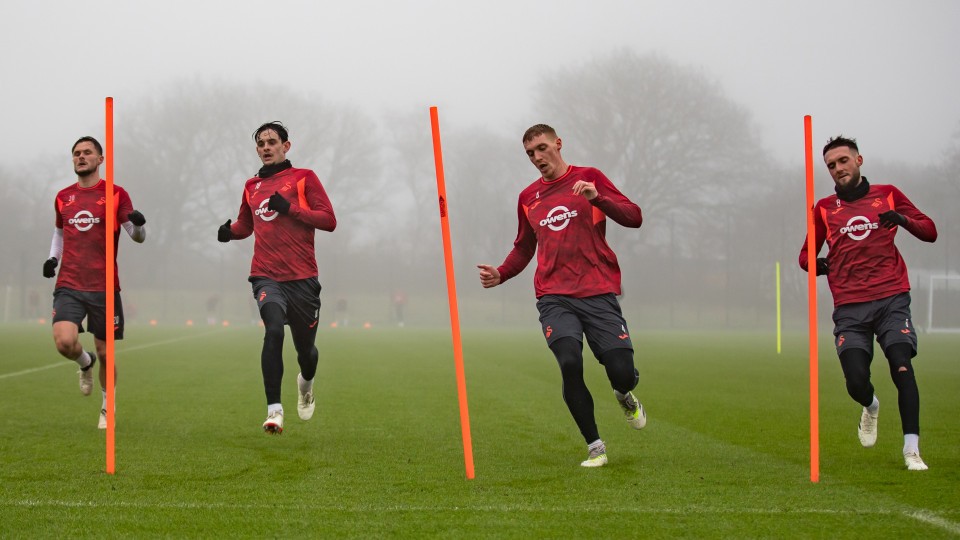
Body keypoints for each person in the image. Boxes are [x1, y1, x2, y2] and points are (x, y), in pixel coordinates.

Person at [477, 124, 646, 467]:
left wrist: (598, 198)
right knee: (569, 362)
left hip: (598, 291)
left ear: (558, 143)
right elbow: (524, 247)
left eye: (542, 148)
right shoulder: (528, 198)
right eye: (530, 153)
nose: (537, 157)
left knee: (622, 372)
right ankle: (595, 446)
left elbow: (635, 217)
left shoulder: (589, 177)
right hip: (554, 296)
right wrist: (502, 272)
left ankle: (624, 392)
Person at [799, 135, 937, 471]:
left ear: (858, 160)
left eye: (843, 161)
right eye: (831, 165)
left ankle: (911, 450)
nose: (838, 168)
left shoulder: (888, 194)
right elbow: (805, 257)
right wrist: (818, 265)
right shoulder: (824, 208)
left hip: (892, 298)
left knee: (902, 366)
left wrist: (901, 219)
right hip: (850, 307)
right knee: (856, 380)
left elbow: (930, 231)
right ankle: (870, 406)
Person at [218, 121, 336, 435]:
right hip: (265, 275)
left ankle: (306, 384)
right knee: (272, 331)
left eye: (272, 142)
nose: (266, 147)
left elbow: (329, 220)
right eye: (261, 143)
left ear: (286, 146)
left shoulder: (304, 178)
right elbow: (246, 225)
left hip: (303, 279)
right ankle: (274, 411)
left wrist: (290, 208)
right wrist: (229, 232)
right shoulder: (251, 186)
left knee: (306, 353)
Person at [43, 136, 147, 429]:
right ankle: (84, 362)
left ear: (100, 159)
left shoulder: (116, 193)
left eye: (87, 152)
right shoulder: (63, 196)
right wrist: (52, 258)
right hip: (70, 283)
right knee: (64, 342)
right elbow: (59, 233)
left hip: (104, 286)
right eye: (76, 153)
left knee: (106, 352)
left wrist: (139, 224)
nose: (81, 156)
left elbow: (137, 236)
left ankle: (106, 406)